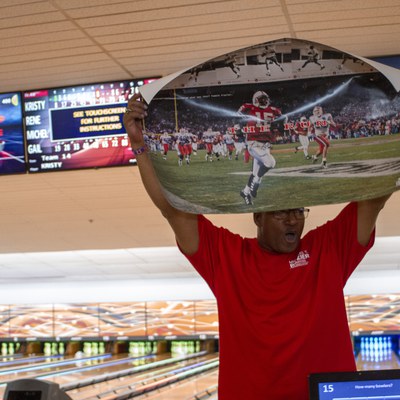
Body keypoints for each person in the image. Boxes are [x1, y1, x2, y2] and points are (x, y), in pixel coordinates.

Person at [123, 93, 392, 400]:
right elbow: (172, 209)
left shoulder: (328, 249)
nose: (292, 221)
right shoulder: (227, 257)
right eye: (281, 212)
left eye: (297, 211)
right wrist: (139, 145)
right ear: (257, 217)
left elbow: (375, 196)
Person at [238, 90, 282, 205]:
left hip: (266, 144)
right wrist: (242, 124)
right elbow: (239, 115)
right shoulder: (249, 108)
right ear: (256, 100)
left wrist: (278, 125)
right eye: (262, 99)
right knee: (270, 163)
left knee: (255, 173)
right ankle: (256, 183)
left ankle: (245, 192)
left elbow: (283, 118)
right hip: (254, 143)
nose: (265, 101)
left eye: (265, 99)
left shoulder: (273, 110)